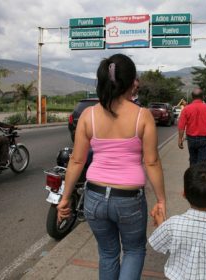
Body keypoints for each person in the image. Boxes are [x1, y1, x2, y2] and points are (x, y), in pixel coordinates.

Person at [57, 54, 166, 280]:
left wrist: (65, 198)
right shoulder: (142, 116)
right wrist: (161, 200)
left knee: (107, 253)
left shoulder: (89, 116)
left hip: (94, 196)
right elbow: (151, 161)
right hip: (129, 199)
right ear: (129, 82)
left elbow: (77, 161)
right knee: (134, 250)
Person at [178, 88, 206, 166]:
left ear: (192, 97)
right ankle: (201, 176)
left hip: (191, 139)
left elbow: (181, 126)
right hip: (204, 139)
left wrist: (180, 139)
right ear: (202, 97)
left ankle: (193, 176)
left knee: (193, 160)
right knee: (203, 162)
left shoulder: (186, 109)